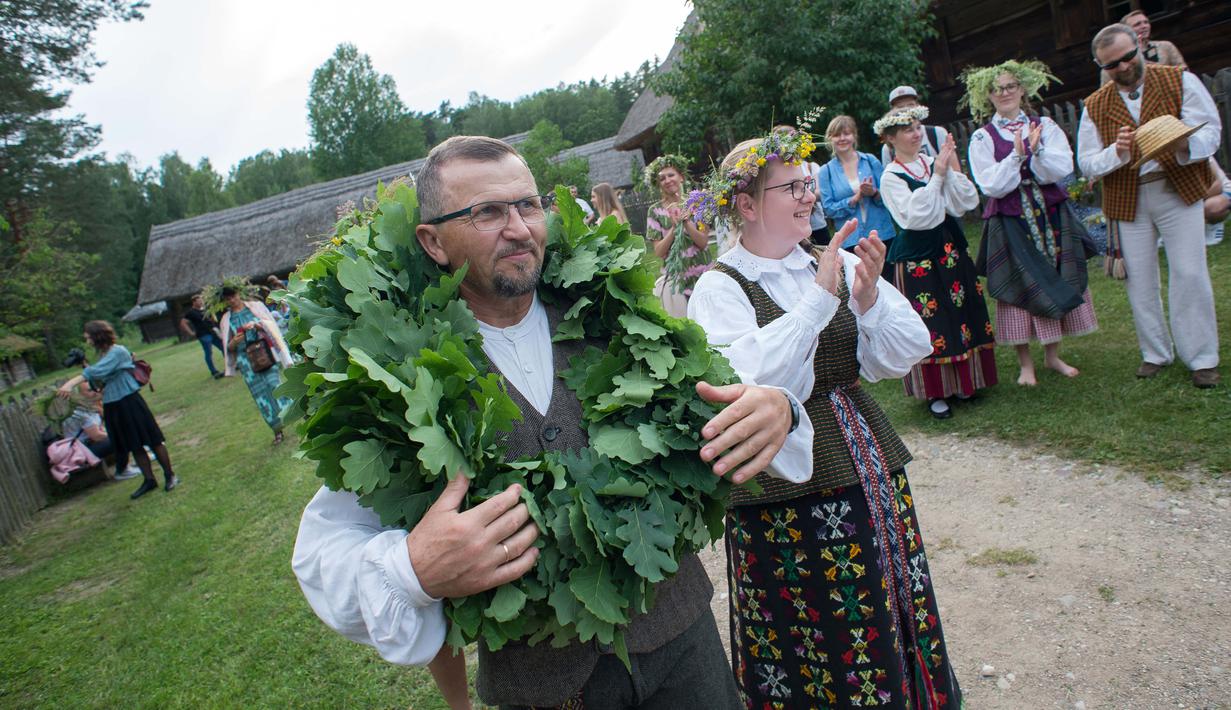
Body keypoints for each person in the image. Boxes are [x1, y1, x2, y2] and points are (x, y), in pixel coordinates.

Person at [292, 135, 807, 710]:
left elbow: (719, 400)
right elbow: (321, 550)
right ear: (432, 242)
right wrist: (412, 568)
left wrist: (778, 405)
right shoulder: (393, 375)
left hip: (684, 648)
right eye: (487, 212)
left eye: (528, 205)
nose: (518, 228)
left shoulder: (617, 314)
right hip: (541, 685)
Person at [686, 125, 962, 708]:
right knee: (823, 626)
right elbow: (745, 382)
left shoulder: (821, 261)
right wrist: (817, 300)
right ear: (747, 205)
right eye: (793, 187)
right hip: (782, 478)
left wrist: (864, 298)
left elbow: (908, 347)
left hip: (865, 454)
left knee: (892, 592)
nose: (810, 195)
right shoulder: (721, 286)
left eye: (810, 183)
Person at [1078, 23, 1222, 388]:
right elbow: (1088, 163)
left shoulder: (1179, 81)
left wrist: (1178, 144)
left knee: (1190, 273)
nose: (1123, 67)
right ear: (1101, 65)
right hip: (1129, 198)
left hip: (1178, 189)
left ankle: (1202, 358)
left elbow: (1211, 131)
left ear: (1140, 47)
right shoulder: (1095, 105)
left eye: (1128, 57)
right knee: (1140, 281)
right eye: (1112, 64)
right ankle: (1155, 353)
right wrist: (1119, 152)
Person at [964, 59, 1099, 386]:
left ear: (1022, 89)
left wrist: (1036, 152)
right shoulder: (983, 138)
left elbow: (1062, 168)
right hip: (1010, 219)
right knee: (1017, 283)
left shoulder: (1045, 126)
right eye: (997, 89)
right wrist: (1017, 155)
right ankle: (1026, 364)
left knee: (1054, 274)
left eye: (1011, 86)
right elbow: (991, 185)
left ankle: (1052, 355)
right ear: (989, 97)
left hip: (1048, 213)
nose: (1005, 93)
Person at [878, 107, 998, 419]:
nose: (916, 133)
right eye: (907, 130)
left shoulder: (931, 162)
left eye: (918, 127)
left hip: (949, 250)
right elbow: (915, 218)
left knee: (960, 311)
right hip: (919, 259)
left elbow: (964, 201)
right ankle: (935, 392)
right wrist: (939, 177)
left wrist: (944, 172)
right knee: (931, 321)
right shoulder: (891, 176)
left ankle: (965, 381)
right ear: (891, 139)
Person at [56, 320, 178, 499]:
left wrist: (70, 383)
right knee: (133, 444)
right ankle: (149, 480)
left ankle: (170, 475)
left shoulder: (117, 351)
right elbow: (98, 378)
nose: (86, 338)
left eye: (87, 335)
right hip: (113, 404)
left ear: (97, 335)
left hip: (129, 401)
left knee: (153, 440)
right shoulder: (104, 354)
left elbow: (96, 372)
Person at [219, 286, 295, 443]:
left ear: (238, 294)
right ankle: (277, 430)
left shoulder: (255, 307)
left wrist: (257, 325)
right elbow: (228, 347)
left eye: (233, 296)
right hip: (246, 361)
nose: (232, 300)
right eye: (228, 299)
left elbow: (272, 326)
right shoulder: (227, 319)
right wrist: (234, 341)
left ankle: (293, 413)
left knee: (275, 385)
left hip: (264, 352)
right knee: (261, 396)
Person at [642, 154, 712, 317]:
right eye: (662, 178)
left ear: (681, 177)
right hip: (677, 282)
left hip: (704, 276)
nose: (667, 180)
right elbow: (659, 252)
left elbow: (703, 242)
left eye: (671, 175)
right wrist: (674, 228)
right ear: (658, 184)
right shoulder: (655, 211)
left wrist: (686, 222)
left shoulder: (697, 202)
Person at [819, 114, 897, 250]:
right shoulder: (826, 171)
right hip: (850, 240)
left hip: (881, 234)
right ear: (830, 139)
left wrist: (873, 192)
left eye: (847, 133)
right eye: (837, 135)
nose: (842, 138)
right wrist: (855, 198)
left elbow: (889, 198)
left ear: (854, 136)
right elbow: (829, 209)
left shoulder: (871, 161)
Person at [1100, 10, 1186, 85]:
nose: (1144, 26)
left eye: (1146, 22)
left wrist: (1158, 68)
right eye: (1137, 24)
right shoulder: (1115, 60)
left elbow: (1184, 72)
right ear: (1126, 31)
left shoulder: (1166, 46)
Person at [881, 86, 951, 165]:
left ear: (918, 106)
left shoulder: (937, 133)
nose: (906, 110)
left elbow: (955, 171)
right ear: (892, 111)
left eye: (910, 105)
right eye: (900, 107)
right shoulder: (888, 149)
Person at [180, 294, 225, 379]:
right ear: (194, 302)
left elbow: (212, 320)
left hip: (212, 332)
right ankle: (214, 372)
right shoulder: (191, 312)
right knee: (209, 352)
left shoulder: (205, 310)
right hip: (203, 335)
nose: (201, 302)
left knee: (223, 347)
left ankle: (229, 365)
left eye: (202, 300)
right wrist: (191, 333)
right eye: (199, 301)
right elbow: (183, 322)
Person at [1203, 159, 1230, 246]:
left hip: (1224, 191)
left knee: (1211, 207)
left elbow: (1217, 186)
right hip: (1196, 195)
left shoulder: (1203, 155)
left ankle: (1214, 224)